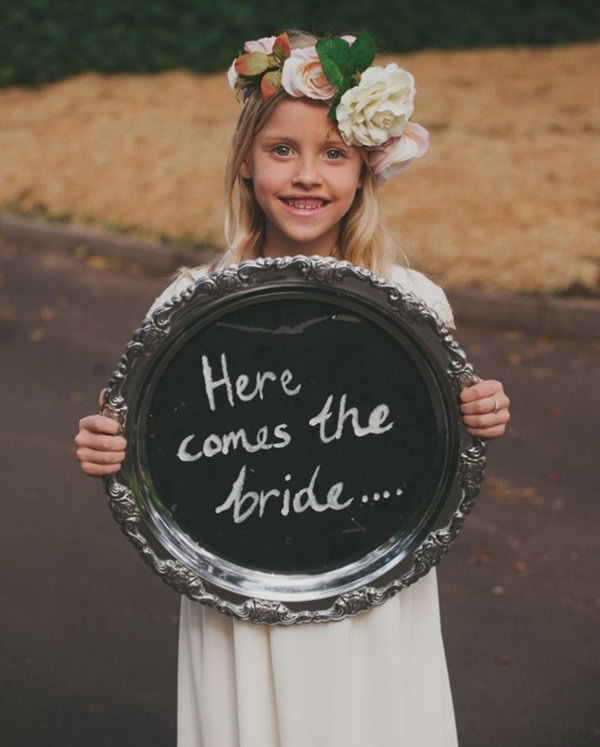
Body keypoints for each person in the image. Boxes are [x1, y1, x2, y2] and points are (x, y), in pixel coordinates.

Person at [75, 31, 510, 747]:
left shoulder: (412, 305)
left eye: (333, 153)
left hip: (365, 577)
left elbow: (433, 440)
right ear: (246, 162)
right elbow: (149, 428)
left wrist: (477, 412)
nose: (308, 175)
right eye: (283, 150)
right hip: (241, 576)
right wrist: (108, 441)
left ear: (364, 169)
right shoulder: (189, 309)